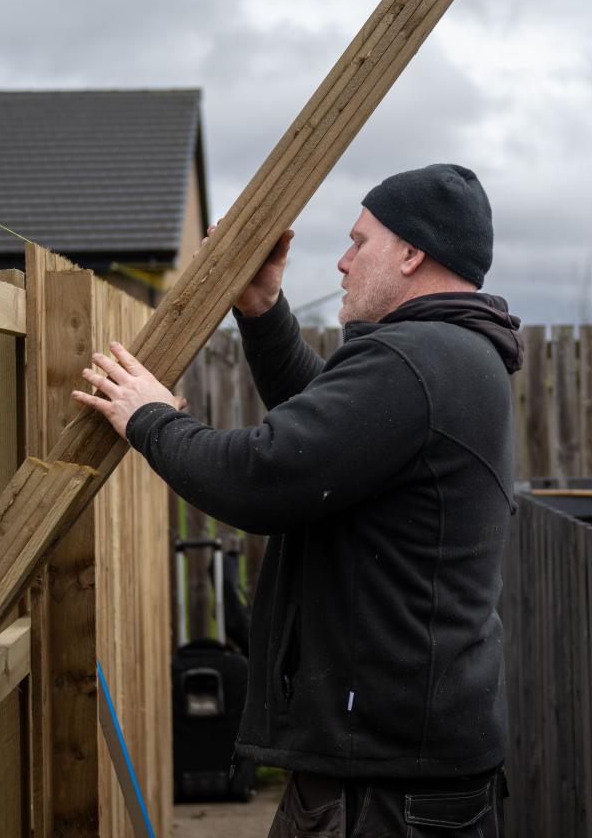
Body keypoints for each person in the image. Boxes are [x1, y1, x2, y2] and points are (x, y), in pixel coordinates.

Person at [73, 163, 523, 837]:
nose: (341, 263)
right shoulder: (450, 355)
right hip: (405, 767)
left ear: (410, 253)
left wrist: (151, 417)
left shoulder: (415, 360)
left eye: (358, 242)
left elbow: (265, 476)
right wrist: (261, 307)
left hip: (384, 787)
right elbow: (331, 440)